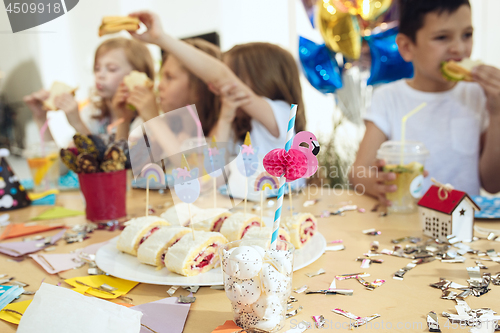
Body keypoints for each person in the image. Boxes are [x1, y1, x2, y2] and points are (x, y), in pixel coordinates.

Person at [350, 0, 500, 205]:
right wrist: (377, 184)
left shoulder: (478, 96)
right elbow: (358, 172)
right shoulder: (389, 98)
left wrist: (497, 110)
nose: (458, 48)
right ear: (406, 47)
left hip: (465, 225)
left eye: (467, 35)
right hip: (405, 225)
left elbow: (492, 183)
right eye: (442, 37)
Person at [128, 10, 306, 154]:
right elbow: (209, 168)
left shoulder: (282, 116)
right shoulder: (238, 127)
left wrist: (161, 38)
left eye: (235, 75)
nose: (214, 86)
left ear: (262, 80)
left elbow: (224, 79)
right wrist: (225, 118)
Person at [24, 37, 154, 139]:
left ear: (139, 75)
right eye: (97, 68)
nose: (100, 75)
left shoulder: (143, 122)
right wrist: (40, 118)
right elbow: (62, 168)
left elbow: (111, 168)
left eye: (111, 69)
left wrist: (78, 125)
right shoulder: (93, 115)